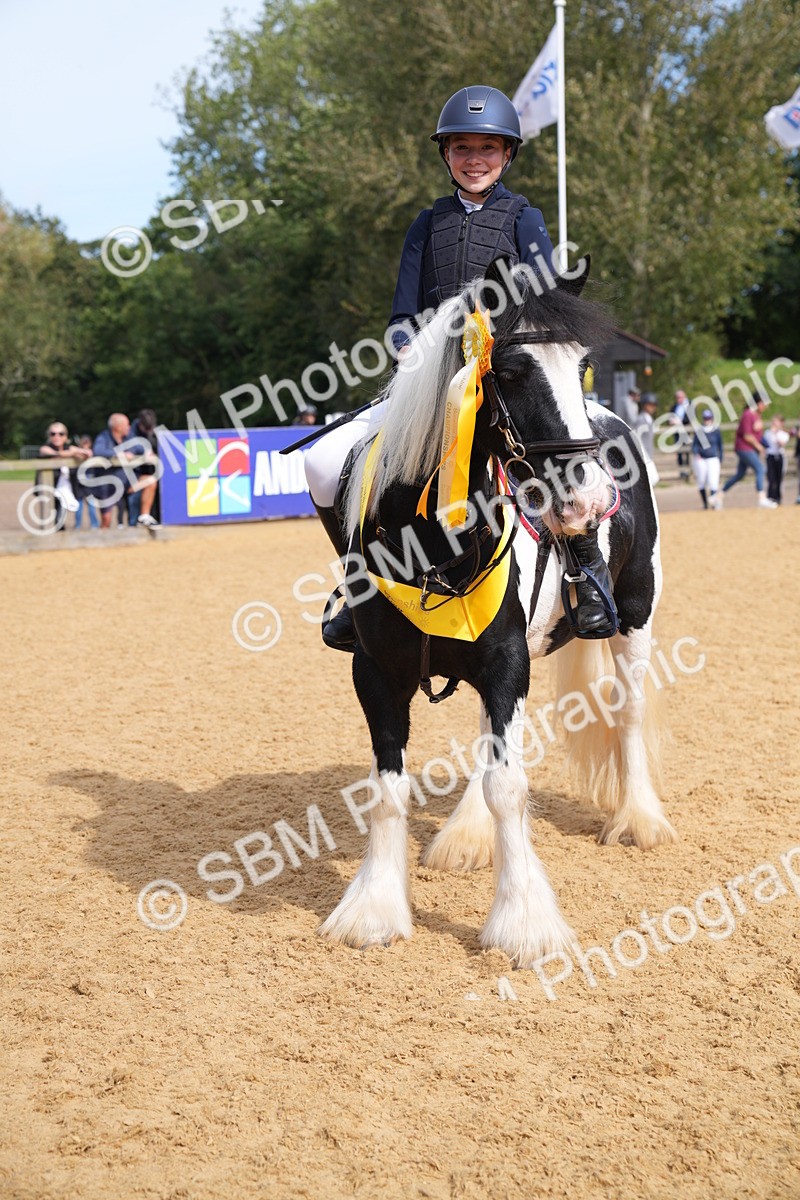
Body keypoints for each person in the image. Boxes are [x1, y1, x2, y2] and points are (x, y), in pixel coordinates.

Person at [305, 85, 617, 651]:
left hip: (506, 375)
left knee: (566, 453)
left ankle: (586, 570)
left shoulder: (525, 218)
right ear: (446, 155)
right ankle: (358, 582)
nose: (475, 160)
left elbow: (544, 300)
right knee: (325, 464)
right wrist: (409, 349)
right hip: (431, 383)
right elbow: (402, 315)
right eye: (463, 148)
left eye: (488, 149)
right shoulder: (426, 225)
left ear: (507, 155)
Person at [722, 393, 776, 508]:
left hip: (750, 448)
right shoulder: (747, 414)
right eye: (764, 404)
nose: (765, 407)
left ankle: (717, 496)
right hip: (744, 448)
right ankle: (762, 499)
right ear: (758, 403)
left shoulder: (756, 415)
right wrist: (759, 447)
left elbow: (757, 435)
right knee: (760, 469)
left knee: (740, 475)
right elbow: (747, 436)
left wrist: (765, 444)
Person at [37, 422, 91, 530]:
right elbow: (48, 453)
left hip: (67, 489)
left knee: (61, 516)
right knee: (51, 516)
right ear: (49, 436)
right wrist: (72, 453)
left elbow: (88, 453)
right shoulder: (45, 448)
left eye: (61, 434)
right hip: (50, 490)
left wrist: (76, 451)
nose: (57, 436)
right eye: (53, 434)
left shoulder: (69, 448)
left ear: (66, 436)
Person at [126, 408, 161, 527]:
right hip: (134, 475)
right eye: (147, 429)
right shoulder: (130, 431)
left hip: (152, 473)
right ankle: (133, 525)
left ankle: (150, 519)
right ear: (140, 424)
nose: (149, 431)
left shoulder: (154, 430)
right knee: (134, 502)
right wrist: (145, 450)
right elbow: (129, 447)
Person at [691, 409, 723, 509]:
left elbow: (720, 446)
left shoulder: (716, 431)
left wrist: (720, 458)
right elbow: (694, 445)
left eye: (708, 418)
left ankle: (713, 502)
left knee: (713, 481)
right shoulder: (699, 431)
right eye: (705, 418)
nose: (707, 420)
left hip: (713, 458)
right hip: (702, 459)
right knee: (701, 481)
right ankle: (705, 504)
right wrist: (697, 453)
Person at [73, 434, 101, 529]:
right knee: (80, 506)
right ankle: (79, 525)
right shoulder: (78, 453)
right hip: (81, 482)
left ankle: (93, 525)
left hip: (88, 482)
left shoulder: (91, 452)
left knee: (90, 506)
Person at [763, 414, 789, 505]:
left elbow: (781, 444)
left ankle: (778, 498)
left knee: (778, 478)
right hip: (770, 456)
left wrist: (776, 433)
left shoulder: (783, 433)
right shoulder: (767, 432)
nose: (774, 423)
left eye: (776, 421)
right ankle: (770, 497)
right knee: (771, 477)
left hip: (779, 456)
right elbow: (765, 444)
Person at [634, 394, 659, 485]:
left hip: (648, 453)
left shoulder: (649, 418)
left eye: (654, 405)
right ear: (644, 405)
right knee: (653, 478)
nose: (653, 407)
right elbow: (636, 437)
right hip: (643, 453)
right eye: (650, 405)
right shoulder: (641, 419)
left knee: (651, 479)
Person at [671, 390, 691, 480]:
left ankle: (687, 471)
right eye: (677, 398)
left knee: (687, 452)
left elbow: (690, 418)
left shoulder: (689, 405)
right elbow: (670, 415)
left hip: (686, 432)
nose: (679, 399)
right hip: (677, 433)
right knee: (679, 452)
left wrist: (680, 422)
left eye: (680, 397)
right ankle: (681, 471)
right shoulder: (675, 406)